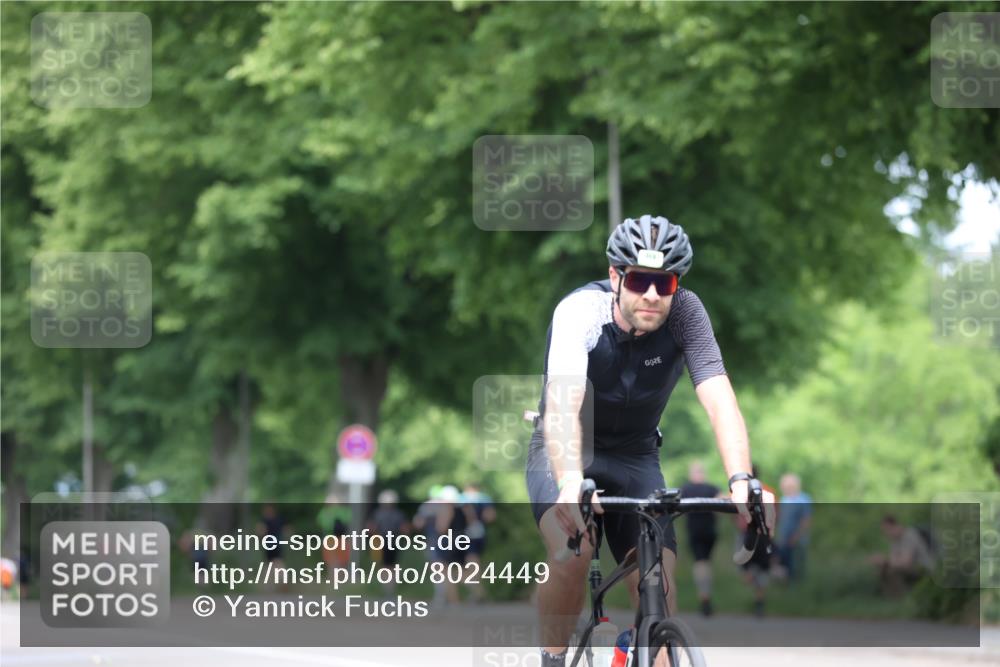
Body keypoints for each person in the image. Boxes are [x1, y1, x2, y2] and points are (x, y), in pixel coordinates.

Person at [525, 215, 775, 666]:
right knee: (570, 555)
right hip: (567, 449)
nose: (653, 295)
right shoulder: (579, 312)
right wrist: (569, 483)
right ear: (615, 275)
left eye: (666, 282)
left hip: (637, 455)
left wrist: (741, 479)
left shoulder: (687, 313)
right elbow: (564, 405)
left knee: (660, 583)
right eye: (640, 280)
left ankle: (641, 648)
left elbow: (720, 399)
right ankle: (552, 658)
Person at [679, 461, 720, 617]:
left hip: (695, 532)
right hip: (710, 532)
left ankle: (704, 598)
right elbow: (724, 499)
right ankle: (706, 595)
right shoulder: (711, 488)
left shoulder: (686, 489)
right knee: (706, 563)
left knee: (700, 564)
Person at [734, 464, 776, 618]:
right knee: (762, 567)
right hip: (764, 532)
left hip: (746, 533)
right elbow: (775, 513)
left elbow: (735, 514)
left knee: (746, 564)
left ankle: (756, 597)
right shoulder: (769, 491)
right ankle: (760, 599)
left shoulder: (738, 492)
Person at [868, 515, 935, 597]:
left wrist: (885, 560)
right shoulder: (895, 541)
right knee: (882, 569)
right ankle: (890, 597)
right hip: (910, 568)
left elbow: (906, 563)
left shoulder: (910, 536)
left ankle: (902, 597)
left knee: (892, 571)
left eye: (887, 530)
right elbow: (894, 561)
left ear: (895, 526)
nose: (886, 534)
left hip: (923, 569)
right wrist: (882, 562)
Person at [367, 489, 409, 596]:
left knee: (386, 566)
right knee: (391, 566)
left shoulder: (378, 513)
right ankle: (390, 589)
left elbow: (371, 528)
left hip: (383, 541)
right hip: (393, 541)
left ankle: (387, 589)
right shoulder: (398, 514)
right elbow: (405, 529)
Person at [461, 482, 496, 602]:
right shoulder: (484, 498)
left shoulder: (462, 498)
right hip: (480, 533)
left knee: (469, 564)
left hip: (467, 534)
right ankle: (477, 591)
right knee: (473, 563)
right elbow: (490, 516)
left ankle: (478, 593)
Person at [775, 473, 812, 582]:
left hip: (798, 539)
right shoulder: (784, 499)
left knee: (797, 565)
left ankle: (798, 587)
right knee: (785, 565)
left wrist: (796, 536)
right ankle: (786, 585)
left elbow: (806, 520)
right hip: (784, 538)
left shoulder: (803, 499)